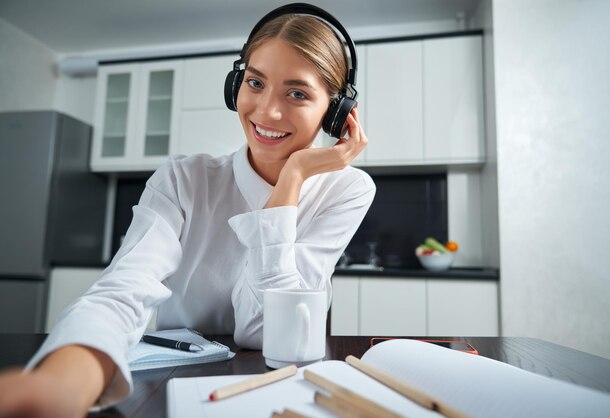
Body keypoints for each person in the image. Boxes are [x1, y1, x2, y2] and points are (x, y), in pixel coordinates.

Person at [0, 5, 374, 418]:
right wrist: (61, 385)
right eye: (255, 82)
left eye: (297, 93)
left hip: (283, 391)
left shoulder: (347, 189)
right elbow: (123, 289)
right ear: (236, 84)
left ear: (336, 113)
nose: (267, 111)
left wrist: (293, 178)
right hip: (175, 383)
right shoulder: (183, 178)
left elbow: (267, 332)